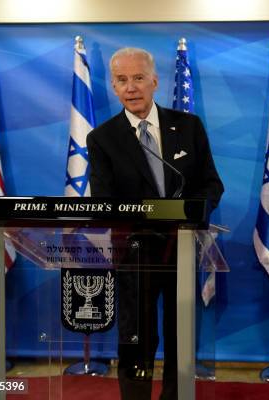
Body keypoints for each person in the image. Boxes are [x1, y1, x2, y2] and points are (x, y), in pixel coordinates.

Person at [87, 47, 224, 400]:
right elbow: (104, 202)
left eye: (138, 78)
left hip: (181, 248)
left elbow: (211, 184)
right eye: (121, 80)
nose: (130, 87)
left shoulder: (189, 127)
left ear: (154, 82)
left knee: (180, 335)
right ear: (113, 87)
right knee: (137, 338)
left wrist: (194, 214)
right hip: (135, 254)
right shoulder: (102, 138)